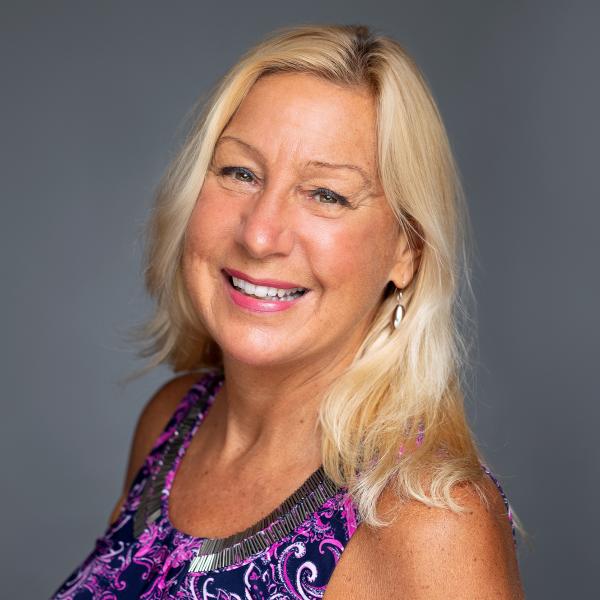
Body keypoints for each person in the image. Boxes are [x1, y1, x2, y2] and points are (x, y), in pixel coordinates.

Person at [51, 24, 525, 599]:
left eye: (326, 194)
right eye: (239, 173)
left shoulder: (430, 520)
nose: (260, 234)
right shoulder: (172, 424)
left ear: (408, 251)